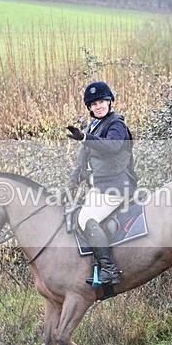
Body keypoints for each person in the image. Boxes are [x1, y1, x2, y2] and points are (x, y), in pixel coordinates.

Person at [67, 81, 137, 284]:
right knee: (75, 214)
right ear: (89, 108)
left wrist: (85, 137)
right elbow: (83, 159)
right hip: (100, 187)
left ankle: (110, 269)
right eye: (94, 104)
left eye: (101, 102)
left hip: (117, 186)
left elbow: (112, 147)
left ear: (109, 102)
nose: (98, 106)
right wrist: (73, 179)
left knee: (87, 219)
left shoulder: (117, 125)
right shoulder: (94, 125)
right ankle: (94, 266)